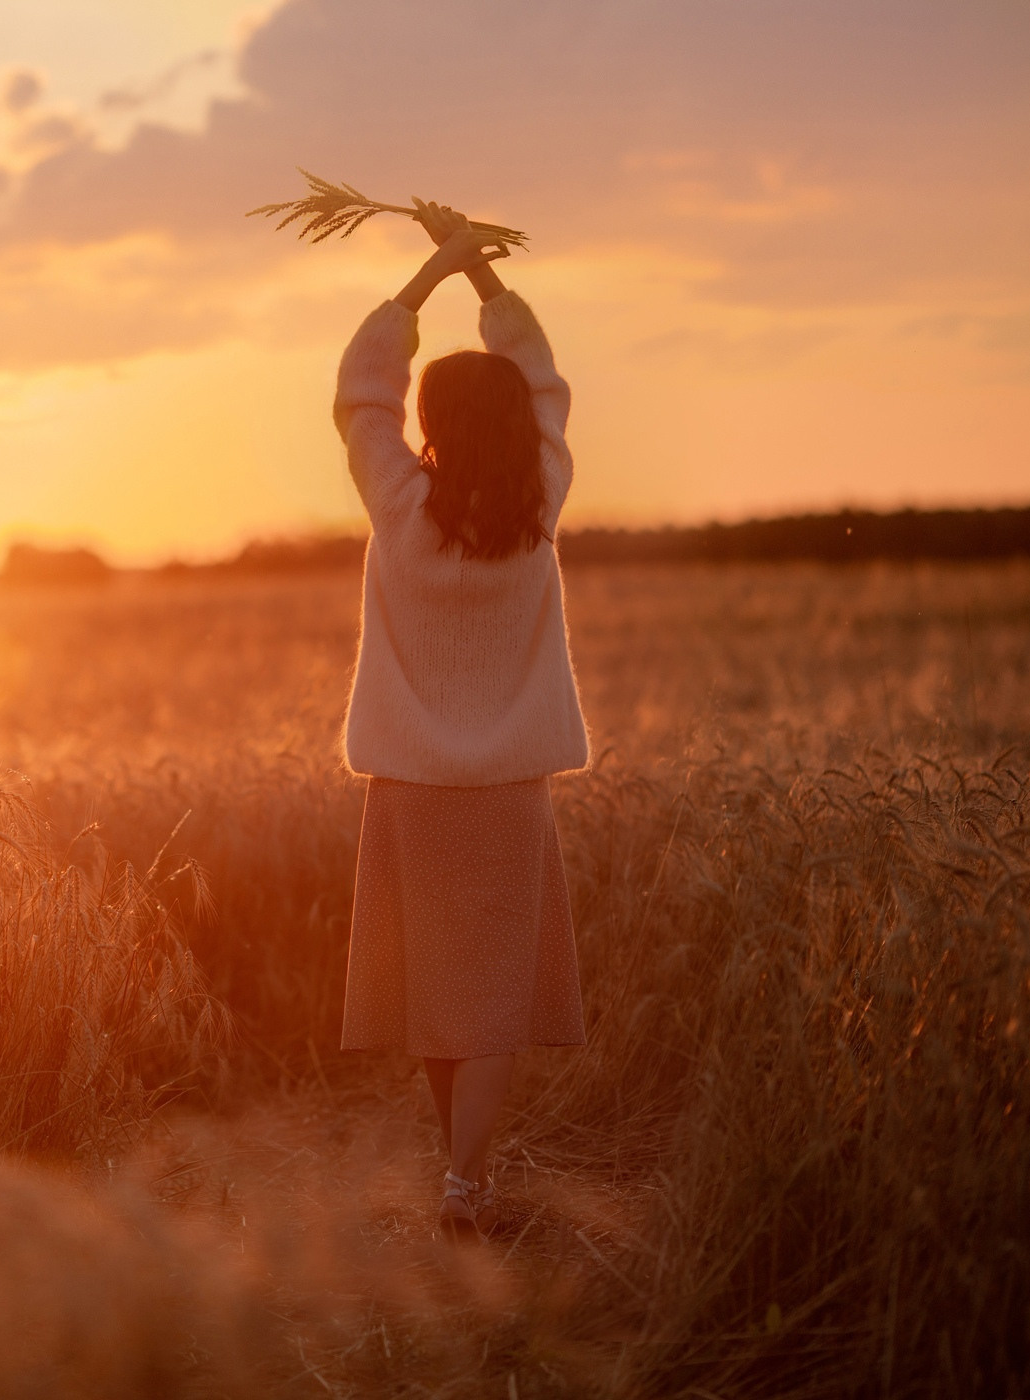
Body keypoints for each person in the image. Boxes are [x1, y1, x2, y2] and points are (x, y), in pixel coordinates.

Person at [332, 202, 589, 1241]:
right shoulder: (542, 499)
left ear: (431, 420)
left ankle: (461, 1174)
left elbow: (359, 395)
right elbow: (547, 387)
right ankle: (466, 1181)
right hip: (508, 795)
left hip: (413, 793)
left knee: (448, 998)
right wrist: (485, 283)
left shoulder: (400, 501)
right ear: (516, 428)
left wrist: (429, 277)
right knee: (485, 1002)